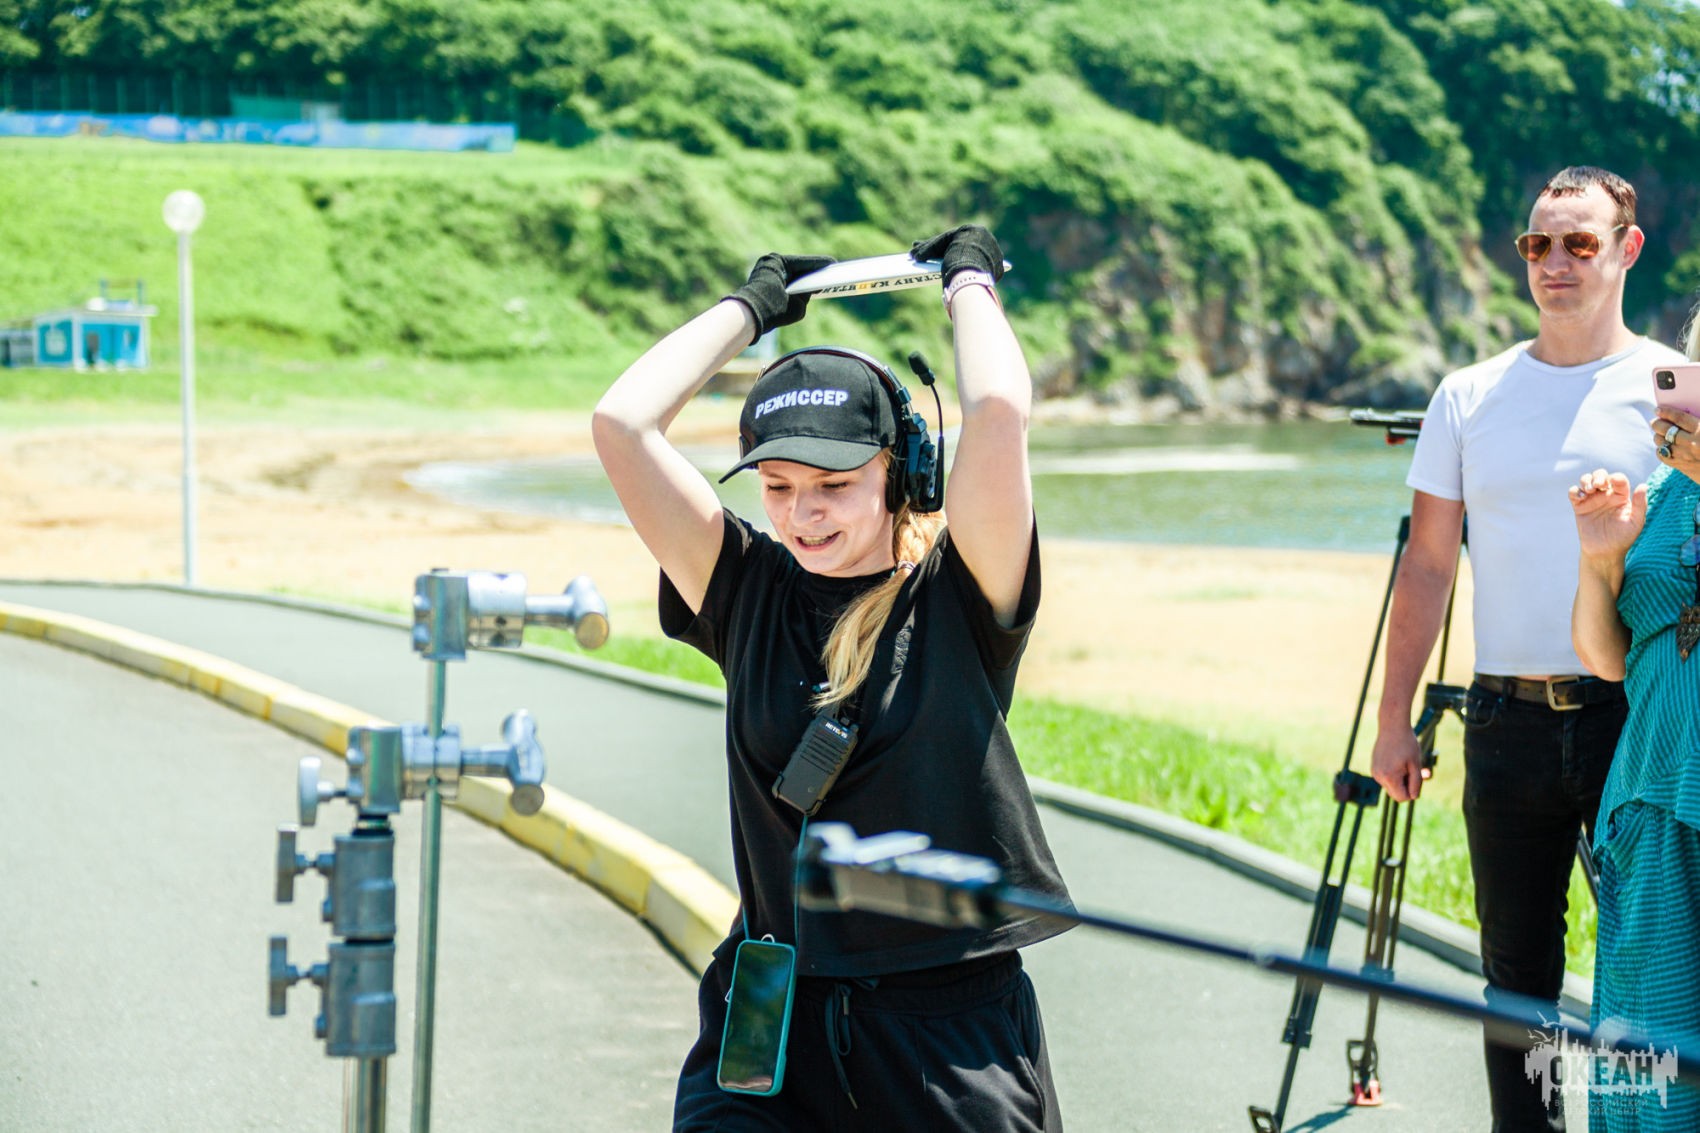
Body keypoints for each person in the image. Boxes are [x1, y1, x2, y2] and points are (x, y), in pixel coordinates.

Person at [592, 224, 1072, 1131]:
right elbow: (621, 424)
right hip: (769, 1014)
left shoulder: (960, 596)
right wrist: (755, 307)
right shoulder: (745, 588)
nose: (802, 515)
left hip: (944, 1034)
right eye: (777, 486)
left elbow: (1000, 413)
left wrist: (968, 282)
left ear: (903, 475)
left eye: (833, 484)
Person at [1368, 165, 1686, 1132]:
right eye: (1537, 243)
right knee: (1517, 984)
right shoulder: (1468, 394)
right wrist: (1393, 718)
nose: (1554, 262)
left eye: (1580, 243)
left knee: (1648, 963)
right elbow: (1429, 566)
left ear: (1627, 249)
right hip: (1503, 720)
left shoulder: (1673, 390)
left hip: (1634, 718)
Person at [1568, 310, 1700, 1131]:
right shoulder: (1659, 492)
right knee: (1654, 1055)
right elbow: (1604, 656)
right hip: (1653, 798)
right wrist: (1601, 560)